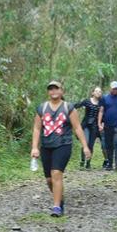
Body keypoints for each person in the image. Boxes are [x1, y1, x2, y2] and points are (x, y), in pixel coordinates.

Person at [30, 80, 91, 217]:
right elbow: (37, 128)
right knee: (49, 180)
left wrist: (85, 146)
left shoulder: (68, 108)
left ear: (62, 91)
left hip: (63, 145)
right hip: (46, 146)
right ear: (48, 92)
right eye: (51, 89)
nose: (54, 91)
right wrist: (34, 147)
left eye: (56, 89)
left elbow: (77, 127)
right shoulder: (42, 108)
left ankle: (56, 207)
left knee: (56, 173)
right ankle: (60, 199)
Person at [74, 86, 103, 169]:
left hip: (94, 127)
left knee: (91, 144)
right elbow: (77, 105)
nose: (98, 93)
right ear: (93, 93)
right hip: (86, 125)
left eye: (100, 91)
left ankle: (88, 162)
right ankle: (82, 160)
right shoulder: (87, 101)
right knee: (85, 142)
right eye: (96, 91)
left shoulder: (101, 103)